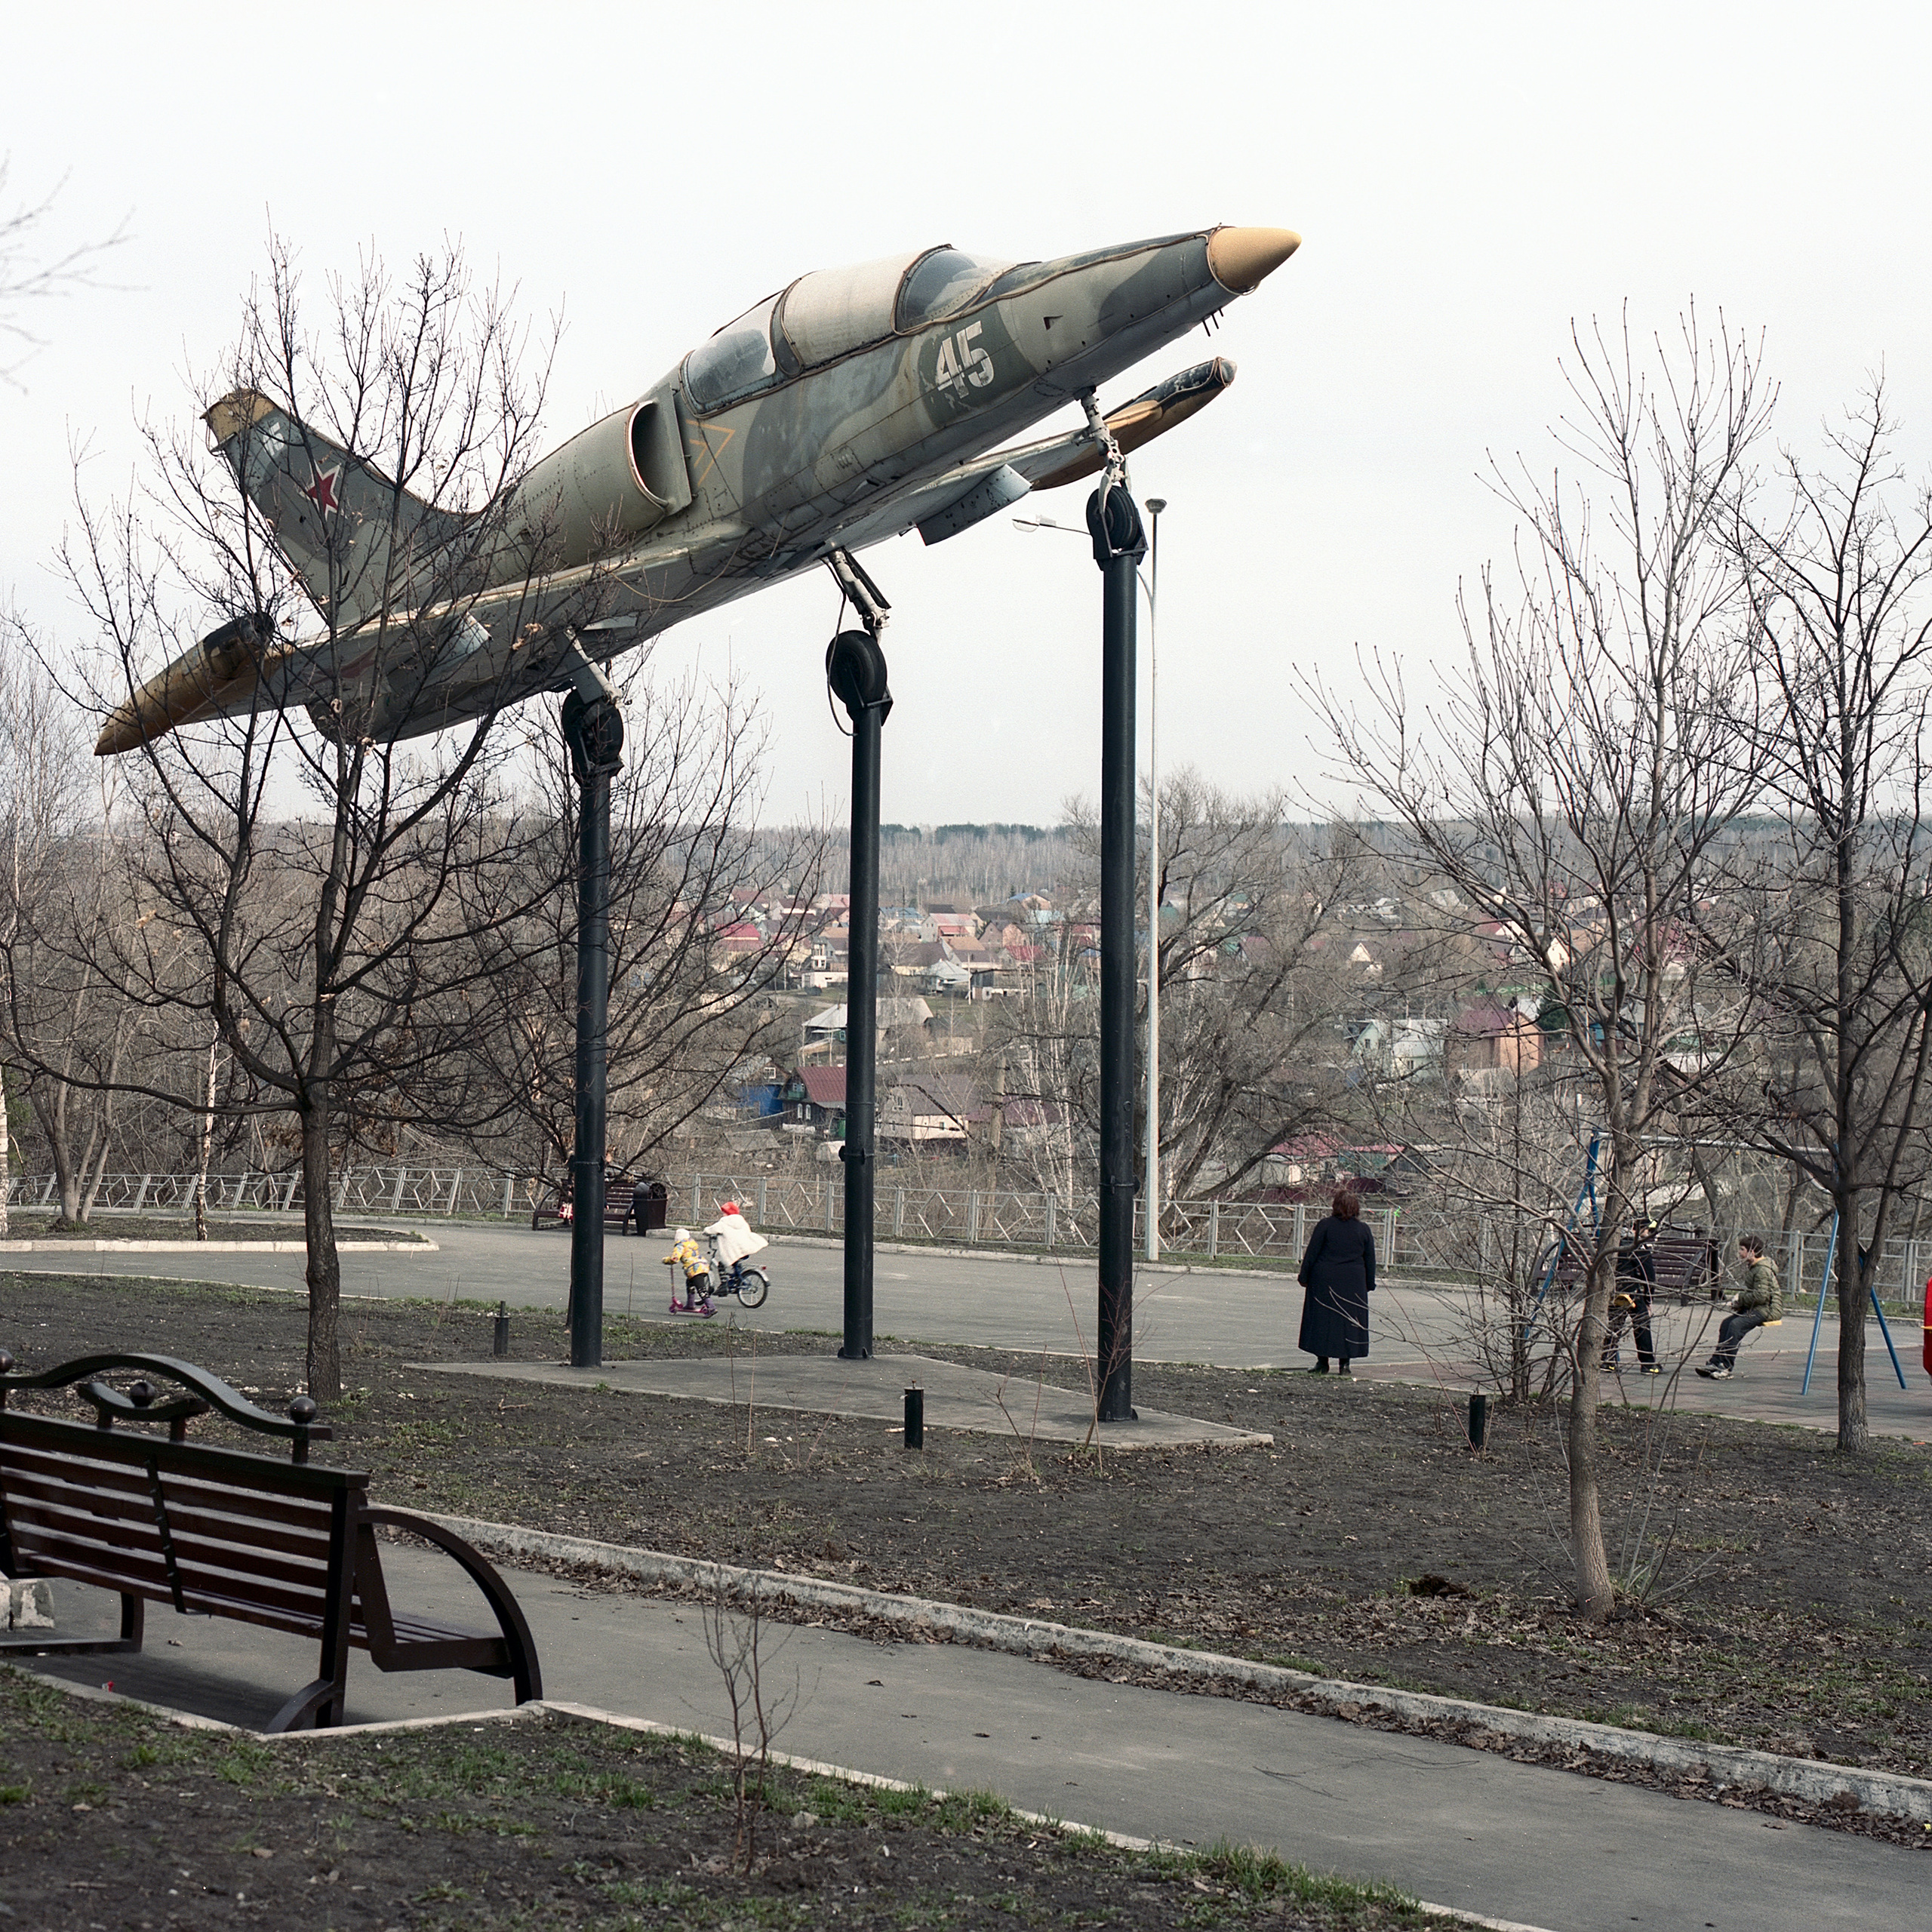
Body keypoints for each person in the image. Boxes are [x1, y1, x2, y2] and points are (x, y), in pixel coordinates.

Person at [1297, 1189, 1376, 1374]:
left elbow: (1312, 1253)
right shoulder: (1363, 1229)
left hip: (1324, 1281)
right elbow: (1370, 1259)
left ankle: (1322, 1362)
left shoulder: (1325, 1225)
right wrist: (1369, 1283)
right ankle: (1345, 1365)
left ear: (1335, 1206)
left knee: (1322, 1320)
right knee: (1348, 1323)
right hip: (1353, 1283)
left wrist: (1304, 1277)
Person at [1697, 1234, 1780, 1378]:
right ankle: (1716, 1362)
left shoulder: (1762, 1270)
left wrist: (1740, 1299)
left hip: (1767, 1310)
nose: (1739, 1253)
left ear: (1752, 1252)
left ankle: (1726, 1367)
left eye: (1742, 1250)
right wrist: (1739, 1304)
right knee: (1726, 1324)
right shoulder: (1755, 1267)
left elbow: (1761, 1297)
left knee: (1736, 1326)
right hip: (1756, 1307)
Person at [1604, 1217, 1660, 1374]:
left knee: (1615, 1324)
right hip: (1631, 1293)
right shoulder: (1639, 1247)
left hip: (1614, 1292)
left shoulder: (1617, 1242)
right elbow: (1649, 1278)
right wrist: (1649, 1301)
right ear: (1639, 1230)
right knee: (1641, 1323)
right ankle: (1648, 1363)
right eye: (1649, 1231)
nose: (1651, 1235)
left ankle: (1607, 1360)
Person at [702, 1199, 768, 1293]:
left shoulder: (723, 1223)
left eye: (724, 1212)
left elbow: (710, 1230)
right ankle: (737, 1279)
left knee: (722, 1264)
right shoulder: (742, 1222)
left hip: (733, 1250)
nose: (723, 1215)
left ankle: (724, 1285)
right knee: (737, 1262)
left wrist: (705, 1231)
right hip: (745, 1249)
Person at [662, 1226, 715, 1317]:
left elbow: (675, 1258)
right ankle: (690, 1304)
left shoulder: (680, 1245)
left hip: (695, 1269)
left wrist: (666, 1260)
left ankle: (711, 1307)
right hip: (703, 1265)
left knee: (700, 1288)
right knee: (690, 1283)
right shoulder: (691, 1243)